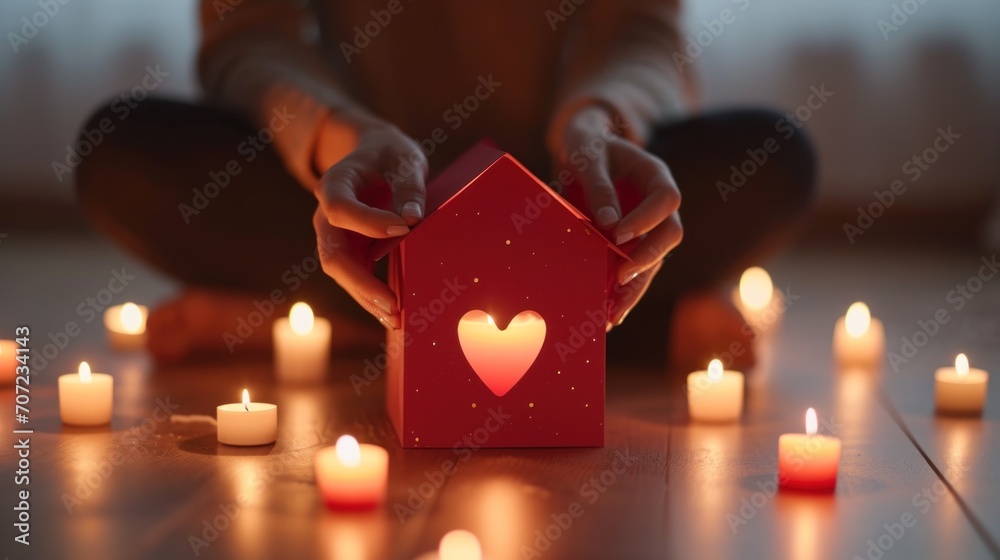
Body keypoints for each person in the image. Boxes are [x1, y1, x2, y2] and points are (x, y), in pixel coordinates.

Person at [76, 0, 815, 370]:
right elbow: (247, 33)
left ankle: (326, 327)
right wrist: (342, 137)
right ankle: (620, 335)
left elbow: (641, 29)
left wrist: (600, 124)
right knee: (122, 153)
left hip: (561, 200)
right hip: (361, 196)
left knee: (774, 157)